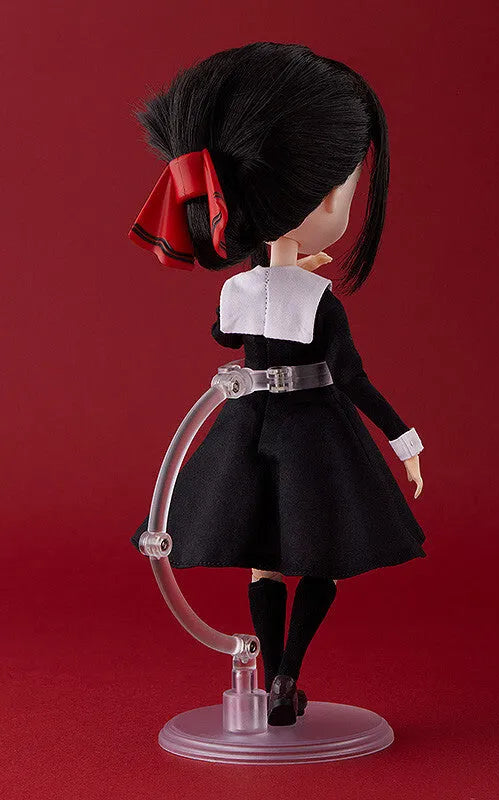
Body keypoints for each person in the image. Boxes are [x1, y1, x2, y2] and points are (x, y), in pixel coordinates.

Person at [129, 42, 426, 727]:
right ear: (328, 196)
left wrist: (277, 270)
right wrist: (404, 438)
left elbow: (224, 336)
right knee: (319, 560)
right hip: (316, 434)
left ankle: (269, 679)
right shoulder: (320, 301)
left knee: (263, 560)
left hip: (249, 429)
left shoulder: (237, 292)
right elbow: (352, 377)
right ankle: (290, 669)